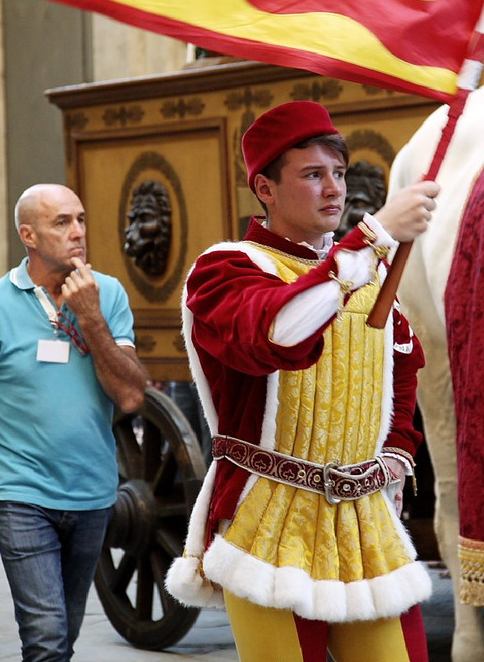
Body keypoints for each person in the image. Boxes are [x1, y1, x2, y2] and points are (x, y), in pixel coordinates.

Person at [166, 102, 440, 662]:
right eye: (313, 175)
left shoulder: (366, 271)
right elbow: (280, 334)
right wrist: (374, 237)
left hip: (366, 527)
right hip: (269, 522)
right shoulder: (224, 270)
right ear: (264, 187)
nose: (333, 189)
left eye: (338, 173)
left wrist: (396, 455)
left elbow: (404, 369)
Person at [0, 183, 147, 662]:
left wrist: (91, 318)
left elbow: (130, 395)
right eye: (62, 222)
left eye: (81, 219)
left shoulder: (108, 295)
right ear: (28, 234)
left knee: (63, 635)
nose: (78, 232)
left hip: (93, 491)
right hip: (19, 493)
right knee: (45, 638)